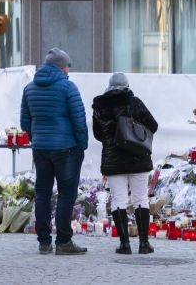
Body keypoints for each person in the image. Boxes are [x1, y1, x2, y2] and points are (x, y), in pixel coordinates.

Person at [20, 48, 89, 255]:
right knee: (66, 195)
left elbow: (25, 122)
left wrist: (37, 139)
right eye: (68, 65)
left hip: (40, 149)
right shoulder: (68, 88)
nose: (69, 70)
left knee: (42, 193)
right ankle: (64, 242)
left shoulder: (29, 88)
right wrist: (82, 145)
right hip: (66, 149)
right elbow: (79, 120)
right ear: (62, 67)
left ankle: (43, 242)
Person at [91, 73, 159, 255]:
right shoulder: (134, 102)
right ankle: (144, 244)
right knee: (140, 199)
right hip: (138, 157)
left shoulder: (99, 106)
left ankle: (125, 245)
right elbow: (153, 125)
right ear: (127, 85)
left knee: (118, 200)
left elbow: (98, 134)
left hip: (113, 162)